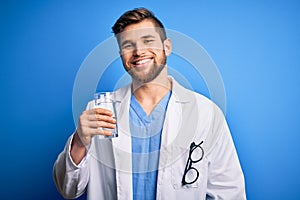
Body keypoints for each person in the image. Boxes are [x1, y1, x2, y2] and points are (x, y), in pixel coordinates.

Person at [53, 7, 246, 200]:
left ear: (167, 47)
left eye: (148, 41)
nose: (139, 51)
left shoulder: (206, 113)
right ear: (121, 54)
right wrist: (79, 141)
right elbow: (68, 190)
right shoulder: (98, 111)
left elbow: (229, 193)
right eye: (128, 45)